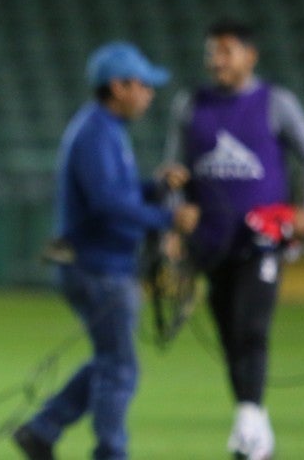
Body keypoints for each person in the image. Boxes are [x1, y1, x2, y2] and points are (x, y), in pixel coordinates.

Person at [13, 42, 199, 460]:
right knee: (120, 368)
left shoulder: (104, 128)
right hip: (99, 268)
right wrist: (169, 220)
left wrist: (156, 189)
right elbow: (109, 204)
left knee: (110, 360)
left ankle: (43, 429)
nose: (150, 93)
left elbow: (119, 194)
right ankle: (109, 452)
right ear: (118, 86)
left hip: (100, 265)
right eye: (144, 84)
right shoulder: (98, 132)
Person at [163, 19, 304, 460]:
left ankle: (247, 425)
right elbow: (173, 169)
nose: (217, 60)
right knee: (229, 331)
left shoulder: (275, 103)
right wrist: (174, 220)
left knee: (251, 327)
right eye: (212, 51)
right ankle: (256, 428)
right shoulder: (191, 104)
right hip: (210, 241)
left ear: (250, 55)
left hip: (262, 239)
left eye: (226, 51)